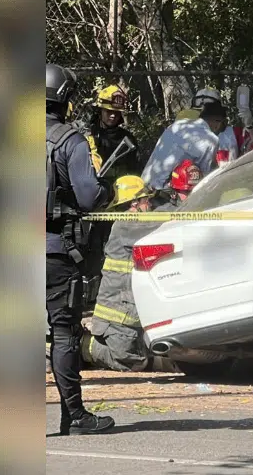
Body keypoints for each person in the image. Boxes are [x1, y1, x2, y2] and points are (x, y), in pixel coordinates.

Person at [46, 63, 115, 435]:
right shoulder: (70, 140)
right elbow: (89, 197)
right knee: (63, 334)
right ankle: (73, 415)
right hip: (57, 251)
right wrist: (110, 190)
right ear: (64, 99)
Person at [73, 85, 143, 315]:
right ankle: (88, 301)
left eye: (116, 112)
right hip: (93, 205)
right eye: (107, 111)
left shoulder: (129, 141)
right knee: (90, 251)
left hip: (120, 206)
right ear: (100, 110)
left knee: (117, 253)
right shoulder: (87, 138)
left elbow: (136, 173)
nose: (112, 115)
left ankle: (117, 299)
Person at [84, 176, 155, 373]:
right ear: (134, 203)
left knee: (142, 359)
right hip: (116, 318)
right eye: (146, 200)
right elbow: (166, 226)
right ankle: (84, 345)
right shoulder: (127, 224)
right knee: (132, 363)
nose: (150, 205)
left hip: (127, 312)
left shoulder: (130, 222)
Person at [141, 100, 229, 188]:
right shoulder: (211, 140)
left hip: (144, 184)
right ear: (218, 123)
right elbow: (204, 178)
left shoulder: (178, 125)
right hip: (167, 191)